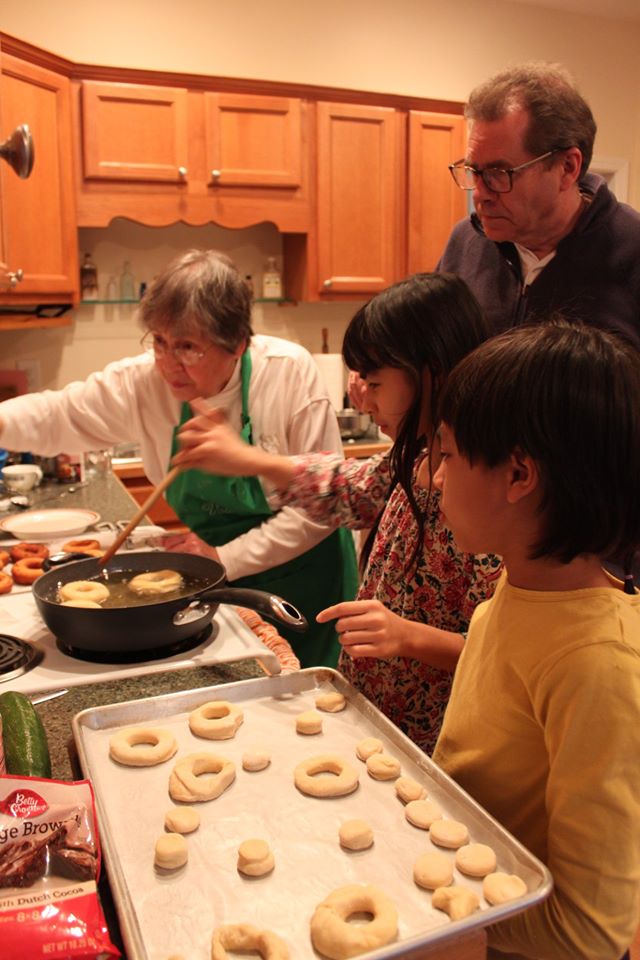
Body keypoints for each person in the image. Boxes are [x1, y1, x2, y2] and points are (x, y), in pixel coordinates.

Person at [173, 272, 502, 754]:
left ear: (431, 373)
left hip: (439, 743)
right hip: (378, 720)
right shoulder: (413, 456)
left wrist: (408, 636)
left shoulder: (484, 494)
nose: (362, 398)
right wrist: (247, 459)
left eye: (374, 382)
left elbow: (503, 657)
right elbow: (350, 489)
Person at [0, 249, 358, 668]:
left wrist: (225, 558)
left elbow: (319, 510)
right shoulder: (142, 382)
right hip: (212, 579)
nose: (168, 365)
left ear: (238, 344)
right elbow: (59, 414)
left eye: (187, 347)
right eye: (159, 342)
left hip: (303, 578)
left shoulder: (288, 373)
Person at [431, 320, 640, 960]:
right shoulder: (515, 588)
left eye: (445, 455)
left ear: (518, 474)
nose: (435, 480)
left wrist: (433, 914)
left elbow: (591, 931)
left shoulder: (596, 664)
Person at [437, 61, 640, 349]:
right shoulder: (464, 243)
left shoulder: (632, 251)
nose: (480, 194)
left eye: (498, 174)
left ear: (567, 167)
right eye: (473, 171)